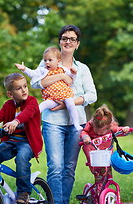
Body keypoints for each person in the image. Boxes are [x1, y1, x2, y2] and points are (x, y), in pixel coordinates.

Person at [30, 25, 97, 204]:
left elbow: (92, 95)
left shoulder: (82, 69)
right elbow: (36, 82)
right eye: (65, 38)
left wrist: (67, 104)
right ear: (60, 41)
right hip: (52, 123)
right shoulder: (48, 62)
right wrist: (60, 76)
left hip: (77, 124)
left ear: (77, 44)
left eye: (72, 39)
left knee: (69, 168)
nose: (68, 41)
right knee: (55, 167)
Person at [0, 73, 43, 204]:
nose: (24, 90)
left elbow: (27, 113)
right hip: (11, 142)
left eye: (25, 86)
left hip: (28, 142)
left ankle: (24, 192)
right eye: (19, 88)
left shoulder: (32, 102)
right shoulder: (8, 105)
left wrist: (16, 121)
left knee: (22, 158)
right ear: (10, 94)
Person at [15, 46, 82, 131]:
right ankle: (25, 119)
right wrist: (24, 69)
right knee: (42, 105)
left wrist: (74, 73)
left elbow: (71, 80)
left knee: (71, 105)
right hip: (52, 98)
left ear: (58, 61)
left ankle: (76, 123)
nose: (47, 63)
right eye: (45, 60)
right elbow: (33, 73)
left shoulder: (63, 70)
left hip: (65, 95)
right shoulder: (43, 70)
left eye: (50, 60)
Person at [80, 104, 130, 181]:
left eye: (103, 132)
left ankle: (107, 183)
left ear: (109, 127)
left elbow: (119, 130)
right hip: (95, 152)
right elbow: (84, 132)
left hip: (106, 151)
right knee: (86, 147)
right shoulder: (90, 124)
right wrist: (86, 137)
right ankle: (93, 167)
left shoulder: (111, 127)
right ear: (93, 124)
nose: (100, 134)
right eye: (97, 131)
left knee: (108, 170)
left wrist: (125, 129)